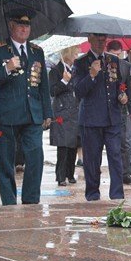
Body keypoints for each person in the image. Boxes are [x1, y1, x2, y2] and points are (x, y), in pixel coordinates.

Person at [0, 10, 52, 205]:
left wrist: (47, 112)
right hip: (7, 113)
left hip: (33, 113)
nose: (24, 29)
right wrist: (6, 69)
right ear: (11, 26)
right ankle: (9, 201)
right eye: (20, 25)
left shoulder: (36, 51)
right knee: (6, 160)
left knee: (35, 156)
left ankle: (31, 200)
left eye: (27, 25)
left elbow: (44, 84)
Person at [72, 34, 126, 201]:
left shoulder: (113, 60)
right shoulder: (80, 62)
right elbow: (78, 92)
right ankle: (93, 194)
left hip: (112, 117)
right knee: (92, 160)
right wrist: (92, 75)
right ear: (90, 39)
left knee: (115, 156)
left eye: (104, 40)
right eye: (98, 40)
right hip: (91, 119)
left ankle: (117, 195)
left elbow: (119, 84)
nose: (101, 43)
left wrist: (122, 95)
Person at [106, 40, 131, 185]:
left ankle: (125, 173)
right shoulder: (103, 65)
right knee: (112, 145)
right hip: (106, 109)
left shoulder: (125, 66)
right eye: (113, 54)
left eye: (118, 54)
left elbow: (129, 88)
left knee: (125, 142)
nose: (116, 57)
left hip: (122, 109)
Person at [48, 46, 79, 187]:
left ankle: (70, 173)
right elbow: (52, 91)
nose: (77, 56)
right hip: (62, 111)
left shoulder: (76, 70)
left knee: (73, 144)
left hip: (74, 111)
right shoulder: (55, 71)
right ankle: (60, 176)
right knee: (63, 145)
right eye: (75, 53)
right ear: (68, 54)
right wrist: (64, 81)